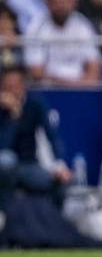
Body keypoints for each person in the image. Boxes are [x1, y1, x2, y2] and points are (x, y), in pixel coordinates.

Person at [0, 66, 72, 213]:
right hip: (4, 165)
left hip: (28, 164)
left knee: (58, 181)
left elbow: (51, 134)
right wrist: (13, 116)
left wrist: (59, 165)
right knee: (6, 161)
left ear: (23, 86)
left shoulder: (35, 103)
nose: (12, 90)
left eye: (15, 85)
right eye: (7, 86)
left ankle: (55, 221)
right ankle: (5, 216)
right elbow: (4, 145)